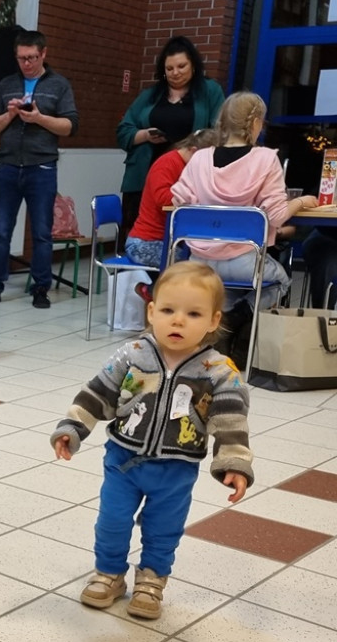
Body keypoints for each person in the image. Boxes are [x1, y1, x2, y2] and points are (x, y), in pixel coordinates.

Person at [52, 262, 252, 620]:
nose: (178, 321)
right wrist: (72, 428)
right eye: (168, 310)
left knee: (164, 529)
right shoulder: (132, 355)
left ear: (212, 320)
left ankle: (151, 580)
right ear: (151, 311)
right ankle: (110, 574)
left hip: (177, 468)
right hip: (123, 461)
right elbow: (97, 394)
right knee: (112, 521)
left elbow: (230, 421)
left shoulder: (220, 371)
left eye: (193, 313)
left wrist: (234, 463)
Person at [171, 91, 319, 349]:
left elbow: (180, 202)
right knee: (281, 281)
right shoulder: (265, 159)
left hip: (200, 261)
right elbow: (275, 216)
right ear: (255, 123)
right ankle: (236, 319)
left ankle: (221, 332)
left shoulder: (200, 158)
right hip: (243, 261)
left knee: (223, 293)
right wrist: (300, 202)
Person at [0, 29, 79, 309]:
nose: (27, 64)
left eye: (32, 58)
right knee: (1, 231)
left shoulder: (59, 85)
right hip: (8, 165)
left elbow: (71, 126)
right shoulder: (6, 84)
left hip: (42, 167)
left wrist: (39, 118)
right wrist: (10, 114)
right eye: (21, 58)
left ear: (44, 54)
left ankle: (40, 289)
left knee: (41, 232)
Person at [117, 36, 225, 241]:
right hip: (144, 175)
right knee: (137, 235)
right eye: (169, 68)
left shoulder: (210, 91)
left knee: (182, 238)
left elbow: (219, 133)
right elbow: (123, 131)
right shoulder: (150, 95)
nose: (175, 73)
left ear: (193, 65)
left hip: (188, 176)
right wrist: (145, 135)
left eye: (181, 66)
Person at [125, 128, 219, 281]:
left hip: (168, 241)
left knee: (206, 262)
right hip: (145, 243)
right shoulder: (167, 164)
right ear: (193, 151)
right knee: (193, 267)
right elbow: (163, 199)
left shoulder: (187, 165)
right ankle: (152, 290)